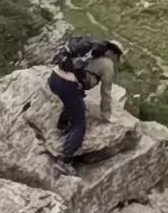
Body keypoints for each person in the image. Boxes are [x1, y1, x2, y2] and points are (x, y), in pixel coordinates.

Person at [45, 36, 125, 166]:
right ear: (113, 53)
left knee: (75, 101)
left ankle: (62, 126)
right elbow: (106, 92)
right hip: (67, 84)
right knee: (79, 124)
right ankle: (65, 161)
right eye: (117, 57)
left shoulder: (88, 53)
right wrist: (106, 114)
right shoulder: (107, 64)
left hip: (54, 78)